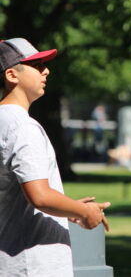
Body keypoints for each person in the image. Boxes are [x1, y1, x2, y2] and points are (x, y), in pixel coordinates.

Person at [0, 38, 111, 277]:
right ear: (12, 75)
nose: (46, 70)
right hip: (31, 265)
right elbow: (39, 196)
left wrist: (68, 208)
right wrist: (85, 212)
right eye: (37, 65)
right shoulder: (22, 127)